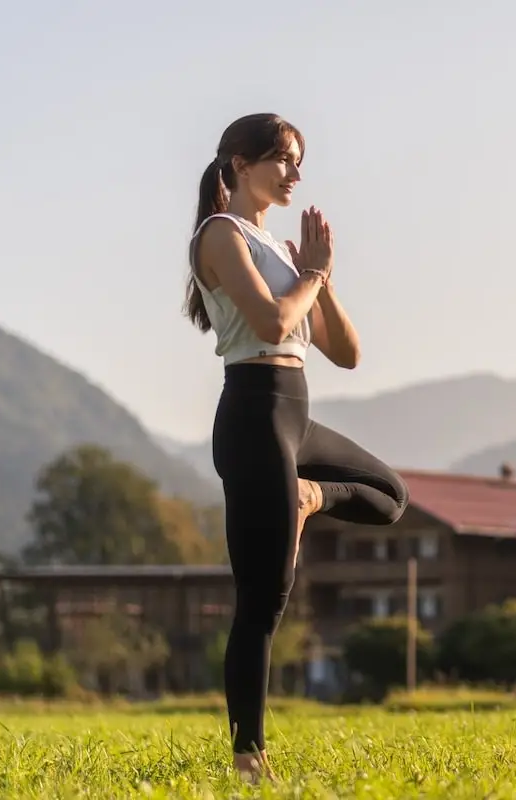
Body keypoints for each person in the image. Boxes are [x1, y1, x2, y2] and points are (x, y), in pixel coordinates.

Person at [185, 112, 409, 782]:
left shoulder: (282, 250)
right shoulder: (220, 235)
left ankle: (311, 494)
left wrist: (322, 276)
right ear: (241, 162)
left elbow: (346, 352)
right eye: (283, 159)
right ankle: (248, 757)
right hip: (252, 417)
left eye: (298, 161)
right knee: (265, 598)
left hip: (296, 414)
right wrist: (309, 276)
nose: (294, 173)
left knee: (390, 496)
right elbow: (272, 321)